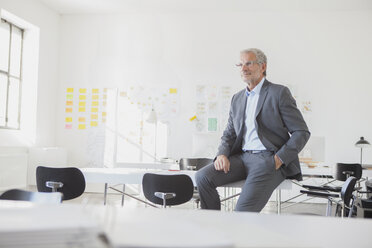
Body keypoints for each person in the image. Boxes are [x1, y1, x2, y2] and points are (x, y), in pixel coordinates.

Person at [195, 48, 310, 212]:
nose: (243, 68)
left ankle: (236, 235)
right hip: (242, 158)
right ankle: (214, 223)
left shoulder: (279, 93)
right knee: (202, 177)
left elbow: (301, 132)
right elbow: (229, 133)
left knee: (241, 213)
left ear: (263, 67)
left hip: (268, 160)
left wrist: (279, 159)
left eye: (248, 63)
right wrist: (222, 154)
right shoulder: (237, 98)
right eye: (240, 64)